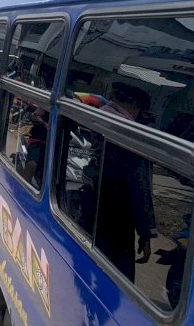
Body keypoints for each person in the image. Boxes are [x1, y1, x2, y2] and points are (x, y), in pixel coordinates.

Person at [96, 82, 157, 282]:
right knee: (119, 279)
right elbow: (140, 188)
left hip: (90, 204)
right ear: (137, 107)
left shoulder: (98, 115)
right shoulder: (132, 132)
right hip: (117, 216)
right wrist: (146, 233)